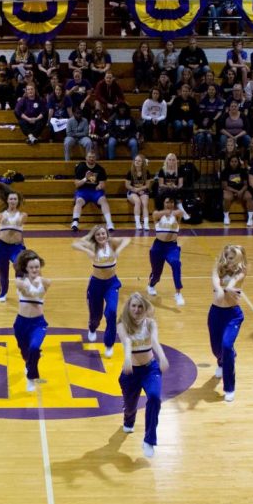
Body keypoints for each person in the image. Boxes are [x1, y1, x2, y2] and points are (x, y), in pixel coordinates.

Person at [117, 292, 169, 459]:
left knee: (154, 398)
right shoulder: (122, 324)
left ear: (145, 308)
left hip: (150, 369)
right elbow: (127, 342)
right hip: (131, 372)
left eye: (140, 306)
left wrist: (162, 357)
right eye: (133, 306)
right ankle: (129, 418)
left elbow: (154, 341)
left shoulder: (151, 324)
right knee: (130, 406)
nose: (137, 309)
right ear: (128, 307)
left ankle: (149, 440)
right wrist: (126, 359)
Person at [73, 226, 131, 357]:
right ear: (95, 236)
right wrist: (86, 248)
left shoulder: (112, 243)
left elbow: (127, 239)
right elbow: (75, 244)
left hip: (111, 284)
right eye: (98, 234)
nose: (101, 236)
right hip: (96, 285)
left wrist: (119, 250)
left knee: (111, 313)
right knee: (95, 317)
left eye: (103, 234)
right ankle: (92, 328)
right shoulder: (92, 246)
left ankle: (109, 344)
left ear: (107, 234)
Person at [209, 244, 247, 402]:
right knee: (217, 349)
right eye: (228, 257)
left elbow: (232, 285)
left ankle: (229, 387)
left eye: (233, 259)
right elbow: (216, 281)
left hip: (233, 316)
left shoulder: (241, 272)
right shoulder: (218, 268)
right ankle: (222, 360)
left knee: (226, 346)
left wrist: (228, 289)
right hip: (215, 313)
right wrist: (219, 289)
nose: (230, 261)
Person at [14, 249, 51, 392]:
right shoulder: (20, 282)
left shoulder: (46, 282)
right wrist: (29, 286)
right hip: (21, 323)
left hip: (38, 323)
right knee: (25, 353)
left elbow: (37, 294)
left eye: (37, 266)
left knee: (34, 348)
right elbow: (25, 289)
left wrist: (35, 285)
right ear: (26, 268)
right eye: (31, 267)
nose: (35, 269)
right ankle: (29, 361)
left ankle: (31, 377)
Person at [0, 183, 27, 303]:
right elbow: (1, 221)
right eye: (11, 199)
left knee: (19, 267)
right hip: (1, 247)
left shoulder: (23, 215)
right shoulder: (0, 215)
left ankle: (20, 289)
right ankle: (3, 292)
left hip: (17, 247)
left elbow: (17, 224)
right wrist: (5, 220)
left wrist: (23, 246)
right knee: (3, 273)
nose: (13, 201)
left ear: (18, 201)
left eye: (15, 199)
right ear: (7, 201)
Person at [147, 195, 186, 305]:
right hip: (158, 247)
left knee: (176, 263)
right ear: (163, 203)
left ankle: (178, 293)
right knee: (156, 275)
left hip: (172, 247)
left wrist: (171, 212)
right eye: (167, 202)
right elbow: (156, 214)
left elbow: (179, 213)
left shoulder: (177, 214)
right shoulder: (157, 215)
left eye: (172, 202)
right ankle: (151, 284)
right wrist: (166, 212)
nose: (170, 204)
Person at [71, 151, 115, 232]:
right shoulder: (81, 167)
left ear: (96, 158)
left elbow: (102, 183)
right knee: (79, 201)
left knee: (103, 200)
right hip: (83, 190)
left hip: (95, 191)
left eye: (93, 157)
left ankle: (109, 223)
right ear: (86, 158)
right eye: (90, 157)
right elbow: (77, 184)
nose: (91, 159)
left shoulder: (100, 169)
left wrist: (100, 186)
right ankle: (75, 222)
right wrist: (85, 178)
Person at [125, 154, 151, 230]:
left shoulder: (146, 172)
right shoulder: (130, 172)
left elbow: (147, 185)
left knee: (144, 203)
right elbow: (127, 185)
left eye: (139, 161)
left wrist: (140, 189)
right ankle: (137, 223)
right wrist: (135, 189)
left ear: (142, 162)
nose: (137, 162)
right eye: (136, 160)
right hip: (132, 191)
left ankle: (146, 223)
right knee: (137, 201)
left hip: (142, 191)